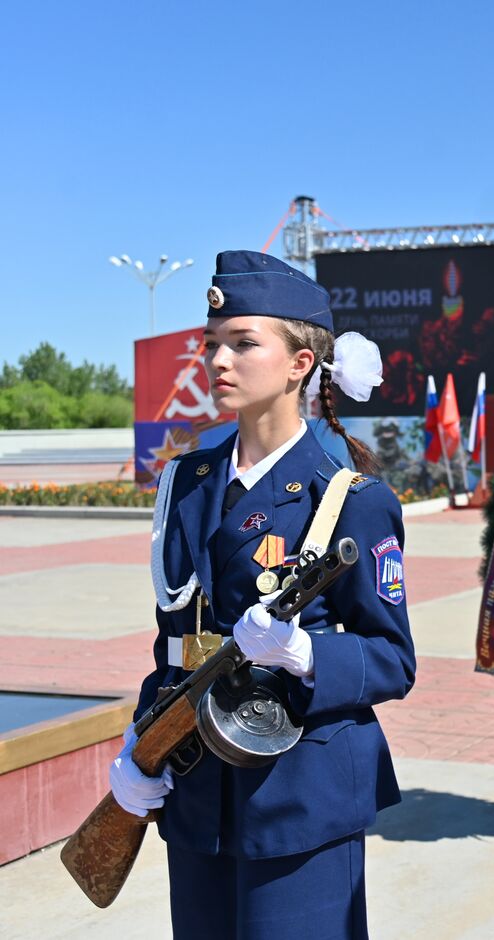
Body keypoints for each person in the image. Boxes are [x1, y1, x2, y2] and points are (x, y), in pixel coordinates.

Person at [108, 250, 416, 939]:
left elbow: (393, 660)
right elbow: (176, 638)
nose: (219, 360)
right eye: (213, 344)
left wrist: (305, 653)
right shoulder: (185, 482)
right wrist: (141, 743)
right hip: (195, 791)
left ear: (300, 364)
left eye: (244, 344)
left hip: (297, 797)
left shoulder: (351, 501)